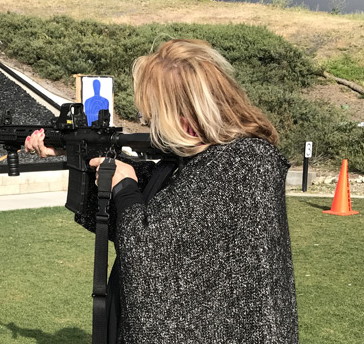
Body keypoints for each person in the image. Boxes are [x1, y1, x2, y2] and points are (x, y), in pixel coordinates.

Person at [25, 39, 298, 343]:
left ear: (185, 114)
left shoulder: (243, 163)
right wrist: (75, 153)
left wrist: (125, 188)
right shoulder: (204, 160)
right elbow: (162, 194)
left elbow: (152, 245)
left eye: (154, 114)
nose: (150, 123)